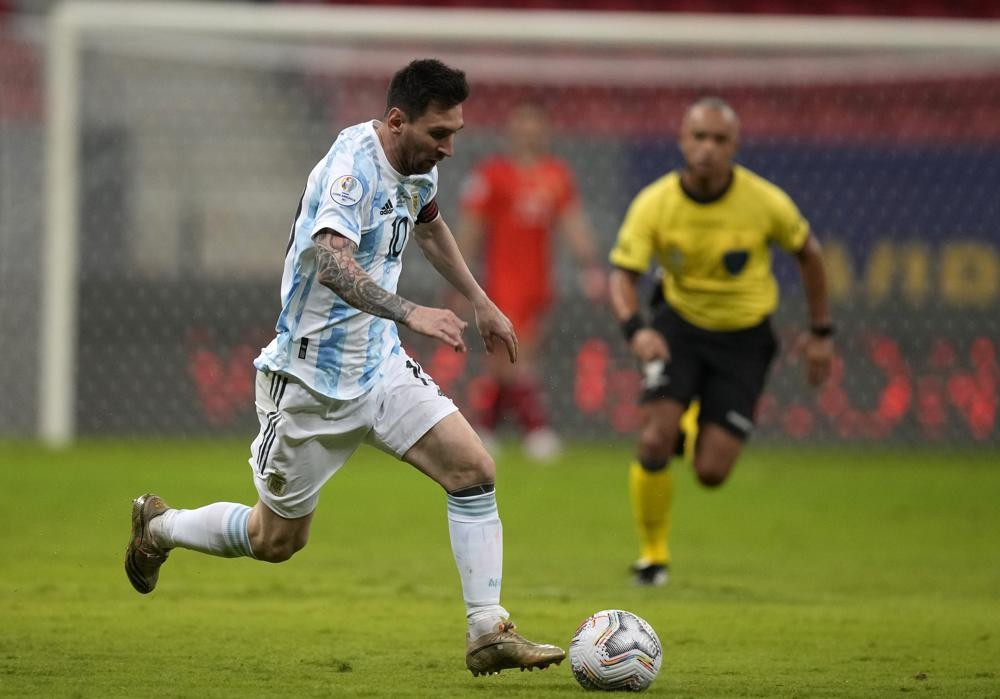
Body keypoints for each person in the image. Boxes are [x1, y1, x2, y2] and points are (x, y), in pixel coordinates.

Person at [124, 59, 565, 677]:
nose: (450, 147)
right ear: (396, 121)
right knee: (275, 541)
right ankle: (159, 526)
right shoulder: (350, 171)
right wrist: (413, 312)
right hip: (308, 384)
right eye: (440, 134)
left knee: (473, 470)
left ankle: (487, 630)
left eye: (457, 133)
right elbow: (330, 264)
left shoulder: (417, 166)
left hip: (379, 367)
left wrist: (482, 302)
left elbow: (430, 224)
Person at [608, 97, 834, 587]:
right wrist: (637, 328)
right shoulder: (655, 202)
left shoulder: (764, 201)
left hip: (745, 339)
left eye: (719, 139)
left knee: (711, 472)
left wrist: (820, 333)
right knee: (653, 437)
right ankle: (652, 557)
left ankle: (687, 418)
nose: (707, 148)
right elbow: (622, 276)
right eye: (699, 137)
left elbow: (810, 256)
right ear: (682, 141)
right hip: (679, 328)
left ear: (735, 145)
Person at [454, 102, 604, 460]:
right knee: (509, 358)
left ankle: (487, 429)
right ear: (511, 130)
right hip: (501, 279)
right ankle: (534, 429)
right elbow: (471, 229)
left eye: (534, 125)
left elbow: (573, 224)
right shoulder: (491, 175)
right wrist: (460, 279)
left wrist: (591, 265)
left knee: (519, 357)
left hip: (539, 281)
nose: (528, 131)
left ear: (545, 130)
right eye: (521, 124)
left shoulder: (556, 175)